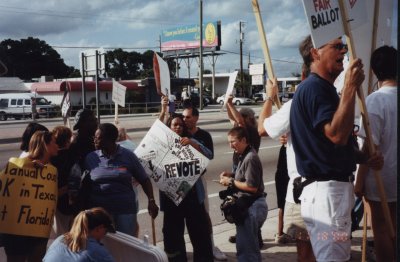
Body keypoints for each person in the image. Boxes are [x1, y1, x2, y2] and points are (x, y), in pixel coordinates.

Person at [289, 35, 382, 262]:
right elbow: (337, 135)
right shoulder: (316, 88)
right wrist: (350, 87)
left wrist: (363, 157)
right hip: (328, 194)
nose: (343, 52)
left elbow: (329, 148)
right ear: (315, 53)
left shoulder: (320, 88)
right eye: (337, 47)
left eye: (343, 47)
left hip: (323, 193)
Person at [258, 66, 315, 261]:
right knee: (326, 249)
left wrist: (269, 97)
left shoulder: (296, 104)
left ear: (303, 76)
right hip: (332, 191)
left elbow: (262, 128)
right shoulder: (336, 98)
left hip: (304, 191)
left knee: (306, 251)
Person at [354, 45, 397, 262]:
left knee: (380, 230)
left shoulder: (374, 101)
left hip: (382, 179)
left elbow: (369, 149)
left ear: (374, 71)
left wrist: (359, 182)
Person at [158, 99, 214, 261]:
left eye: (180, 125)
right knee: (172, 236)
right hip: (171, 198)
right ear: (168, 127)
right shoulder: (162, 144)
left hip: (192, 196)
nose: (177, 127)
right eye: (174, 125)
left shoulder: (191, 141)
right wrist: (163, 110)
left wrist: (193, 144)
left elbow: (209, 155)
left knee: (199, 234)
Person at [84, 123, 159, 236]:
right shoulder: (91, 158)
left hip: (125, 211)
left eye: (97, 138)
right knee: (104, 246)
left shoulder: (128, 156)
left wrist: (151, 201)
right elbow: (84, 185)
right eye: (94, 137)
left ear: (109, 139)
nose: (94, 140)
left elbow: (144, 179)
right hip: (99, 215)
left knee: (126, 246)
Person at [0, 130, 59, 262]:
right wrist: (26, 165)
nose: (57, 146)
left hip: (39, 228)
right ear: (46, 145)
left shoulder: (51, 171)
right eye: (54, 142)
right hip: (16, 230)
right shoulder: (15, 166)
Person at [182, 106, 226, 261]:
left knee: (204, 214)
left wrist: (194, 144)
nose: (185, 120)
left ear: (196, 118)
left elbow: (210, 155)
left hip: (198, 180)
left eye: (188, 117)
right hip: (182, 181)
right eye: (184, 117)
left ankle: (210, 245)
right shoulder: (181, 132)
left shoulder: (204, 135)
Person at [219, 126, 268, 262]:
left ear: (244, 140)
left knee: (247, 250)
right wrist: (232, 175)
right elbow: (245, 176)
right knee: (249, 248)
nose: (230, 146)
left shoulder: (250, 157)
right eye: (229, 142)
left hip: (252, 207)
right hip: (250, 206)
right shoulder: (244, 155)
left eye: (233, 142)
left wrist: (230, 181)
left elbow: (252, 187)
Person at [225, 95, 262, 247]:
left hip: (246, 165)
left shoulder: (250, 130)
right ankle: (244, 232)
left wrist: (230, 104)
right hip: (240, 165)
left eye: (240, 115)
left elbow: (238, 121)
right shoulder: (245, 129)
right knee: (240, 200)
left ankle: (254, 236)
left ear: (246, 117)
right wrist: (228, 106)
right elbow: (234, 120)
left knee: (248, 199)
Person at [43, 207, 115, 262]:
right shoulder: (97, 251)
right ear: (99, 228)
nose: (104, 236)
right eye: (105, 231)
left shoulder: (60, 239)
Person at [50, 126, 74, 237]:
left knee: (61, 236)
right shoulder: (73, 155)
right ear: (67, 140)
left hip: (57, 202)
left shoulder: (50, 158)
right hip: (72, 200)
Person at [116, 126, 140, 237]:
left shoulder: (109, 148)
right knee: (131, 230)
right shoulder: (132, 147)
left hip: (117, 198)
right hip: (131, 196)